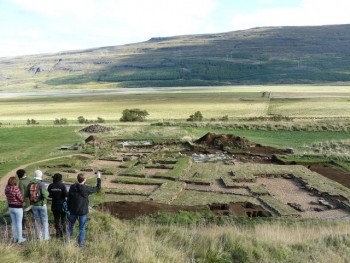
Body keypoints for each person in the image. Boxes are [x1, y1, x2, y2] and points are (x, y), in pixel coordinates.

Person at [67, 171, 101, 248]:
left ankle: (67, 241)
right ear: (84, 180)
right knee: (82, 228)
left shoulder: (72, 187)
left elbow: (69, 198)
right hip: (83, 211)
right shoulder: (86, 189)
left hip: (73, 210)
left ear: (78, 179)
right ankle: (81, 244)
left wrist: (68, 209)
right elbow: (97, 188)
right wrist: (98, 177)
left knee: (70, 226)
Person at [26, 170, 50, 240]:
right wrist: (48, 193)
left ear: (34, 175)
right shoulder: (41, 184)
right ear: (41, 175)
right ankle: (45, 237)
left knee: (37, 220)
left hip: (33, 204)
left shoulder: (30, 184)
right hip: (42, 204)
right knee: (45, 220)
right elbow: (45, 195)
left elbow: (26, 194)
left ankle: (38, 235)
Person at [4, 176, 26, 243]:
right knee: (19, 223)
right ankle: (20, 238)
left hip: (11, 207)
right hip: (18, 207)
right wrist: (23, 201)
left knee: (14, 223)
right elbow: (21, 198)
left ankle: (15, 238)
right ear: (14, 182)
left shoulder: (6, 188)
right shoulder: (16, 188)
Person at [48, 173, 68, 238]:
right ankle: (64, 232)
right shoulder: (62, 186)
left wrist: (53, 195)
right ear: (60, 178)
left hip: (54, 204)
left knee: (56, 219)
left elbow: (48, 194)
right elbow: (66, 195)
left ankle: (58, 233)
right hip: (62, 204)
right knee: (63, 219)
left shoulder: (51, 185)